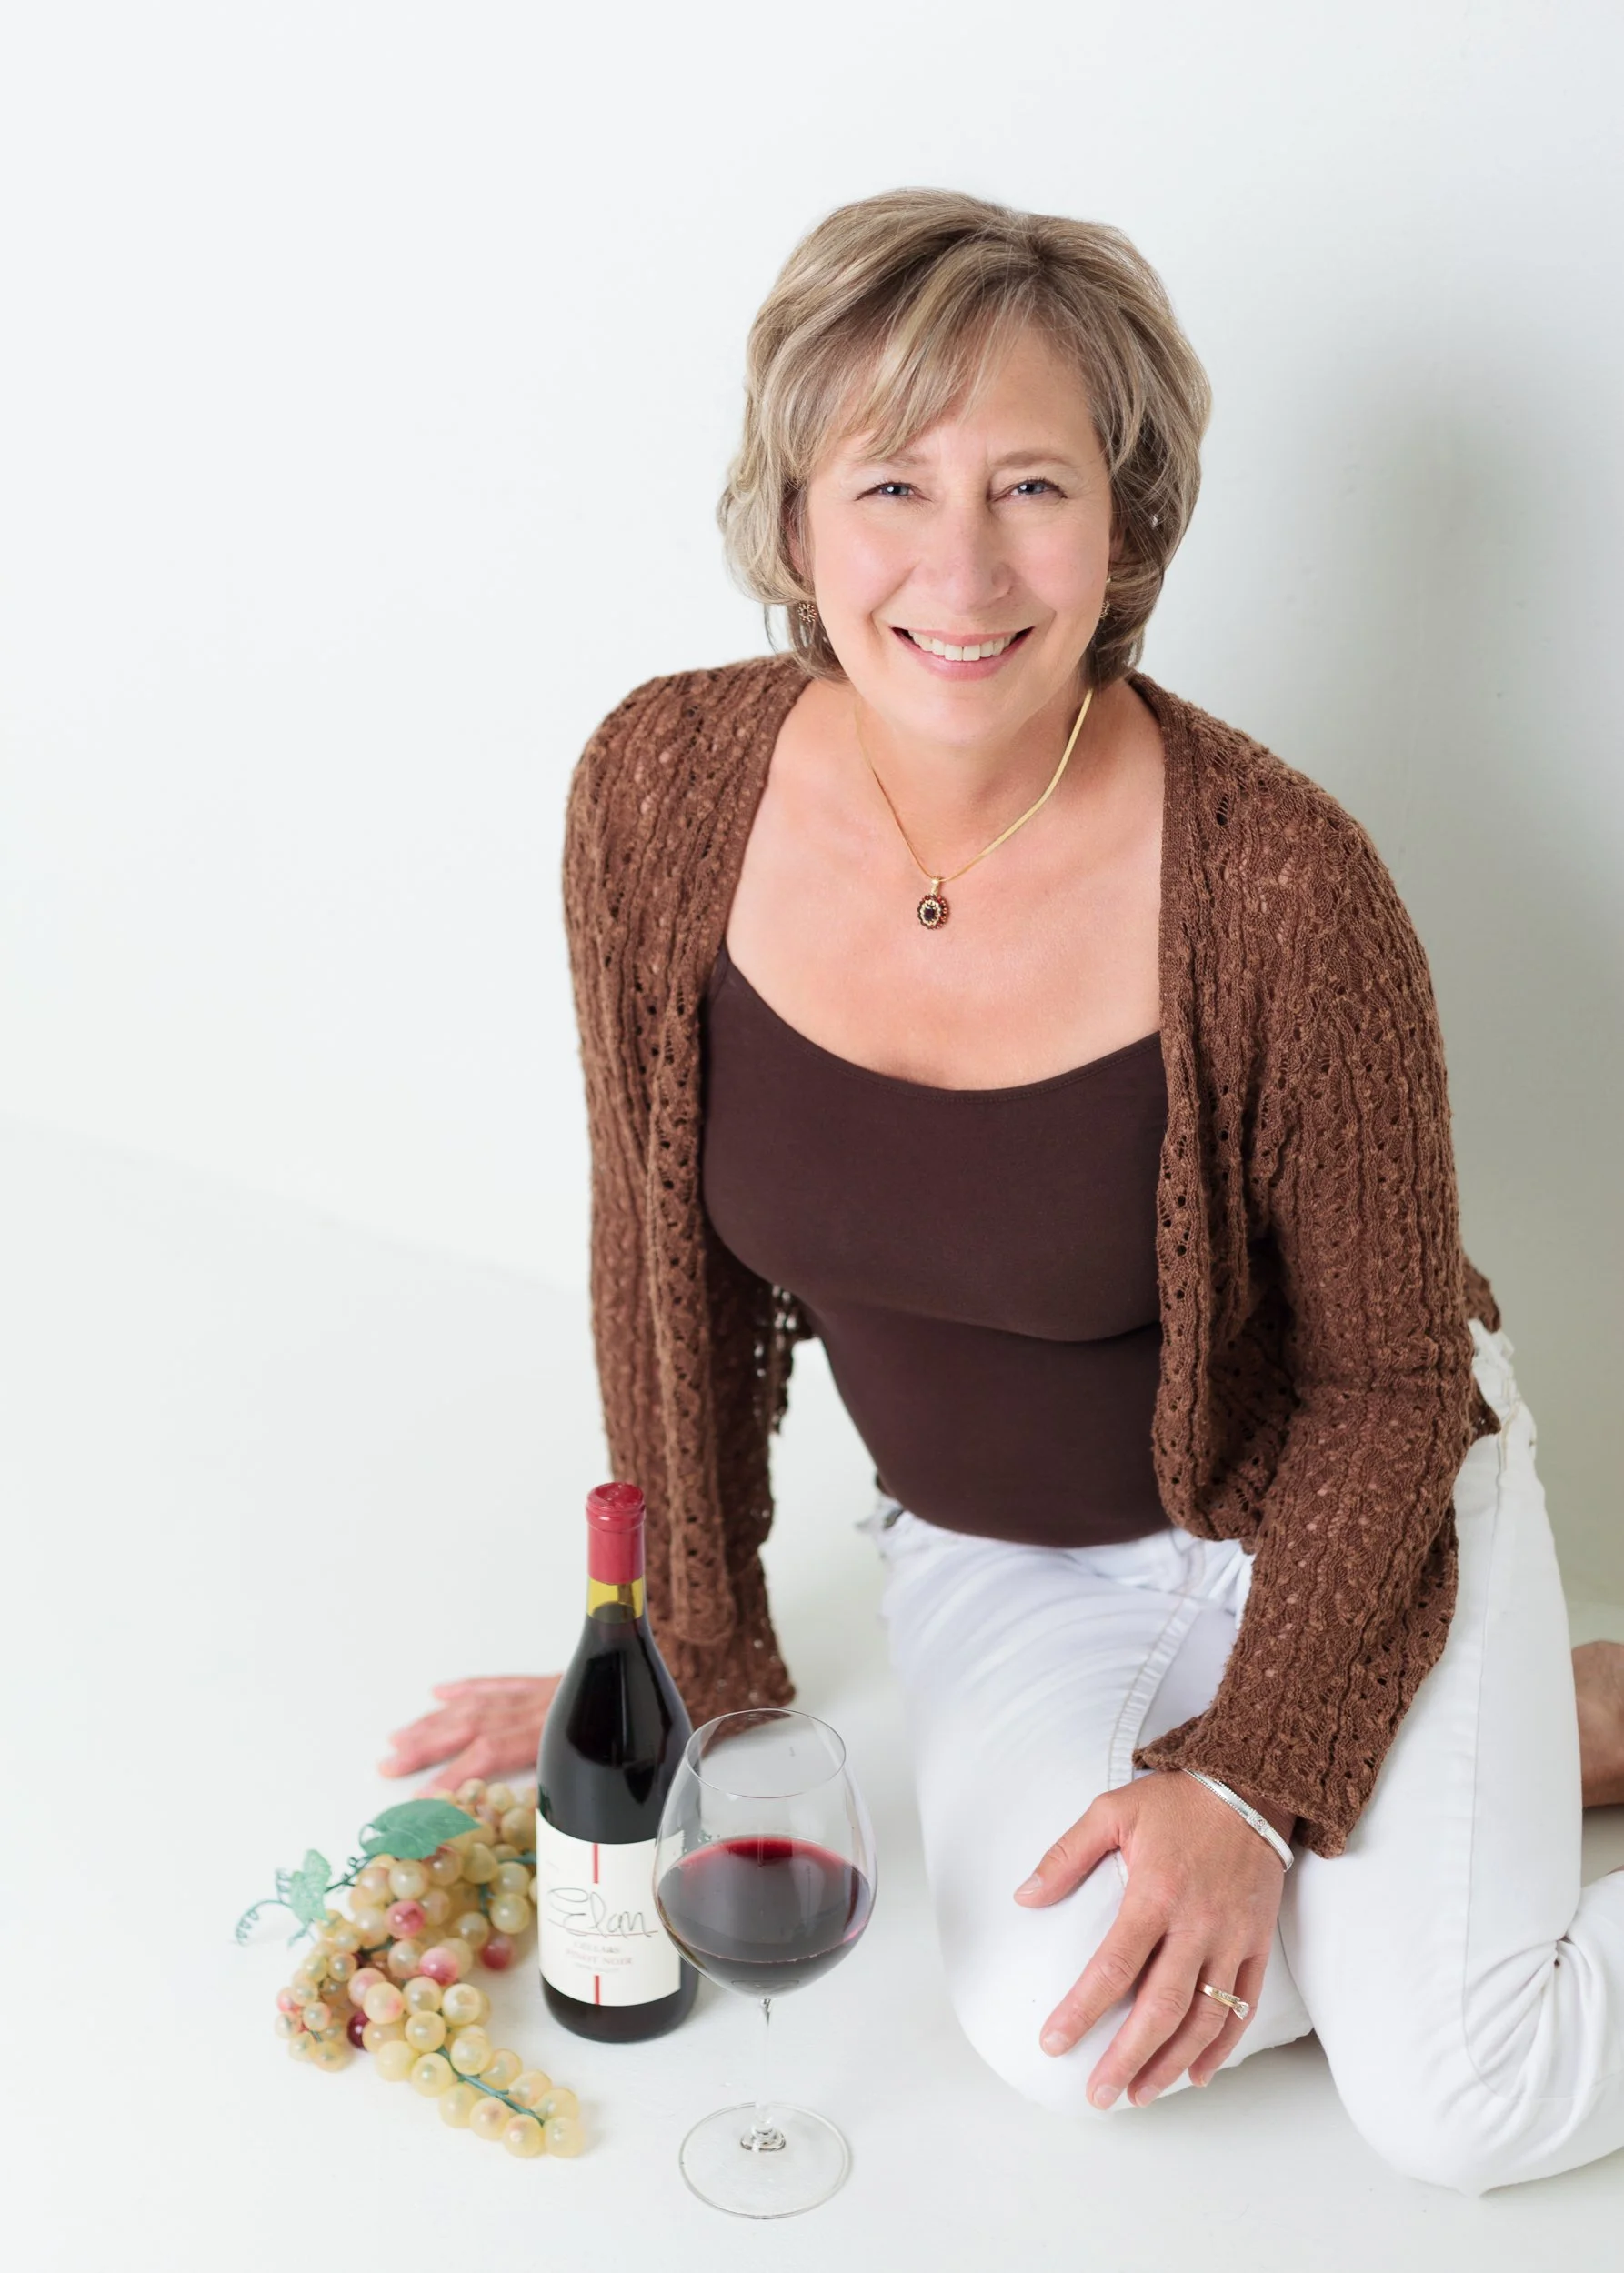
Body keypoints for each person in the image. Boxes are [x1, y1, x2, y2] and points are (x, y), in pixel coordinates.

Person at [380, 188, 1624, 2192]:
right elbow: (657, 1255)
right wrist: (683, 1646)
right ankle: (1507, 1762)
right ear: (792, 516)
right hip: (1000, 1559)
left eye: (1030, 483)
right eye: (889, 479)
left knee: (1453, 2093)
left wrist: (1248, 1769)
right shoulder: (658, 791)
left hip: (1339, 1488)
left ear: (1123, 522)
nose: (956, 566)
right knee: (1061, 2029)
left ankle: (1427, 1769)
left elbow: (1394, 1382)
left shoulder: (1287, 890)